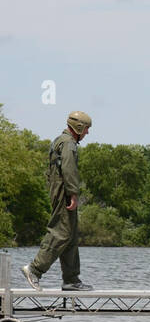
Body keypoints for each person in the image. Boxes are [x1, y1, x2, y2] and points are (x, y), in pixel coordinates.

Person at [22, 110, 94, 291]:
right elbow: (69, 170)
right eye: (86, 129)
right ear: (78, 127)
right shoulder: (69, 144)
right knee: (61, 233)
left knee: (70, 236)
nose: (87, 133)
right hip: (64, 193)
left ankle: (71, 280)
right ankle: (35, 269)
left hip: (59, 191)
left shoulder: (59, 140)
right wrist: (73, 193)